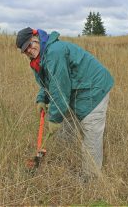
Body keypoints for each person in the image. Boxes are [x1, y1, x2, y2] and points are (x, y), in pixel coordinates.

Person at [16, 27, 114, 177]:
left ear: (36, 37)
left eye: (30, 45)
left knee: (91, 134)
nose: (29, 50)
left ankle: (91, 178)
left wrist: (54, 118)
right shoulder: (39, 58)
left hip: (94, 89)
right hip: (76, 90)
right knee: (65, 125)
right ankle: (66, 157)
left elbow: (60, 88)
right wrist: (42, 98)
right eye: (25, 50)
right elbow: (50, 81)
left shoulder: (54, 52)